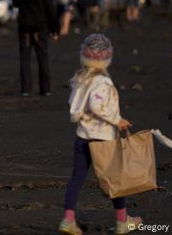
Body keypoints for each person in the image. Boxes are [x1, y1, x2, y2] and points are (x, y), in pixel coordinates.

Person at [59, 33, 142, 235]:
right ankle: (122, 221)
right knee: (115, 181)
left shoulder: (80, 78)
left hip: (82, 137)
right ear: (106, 58)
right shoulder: (102, 82)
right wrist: (118, 120)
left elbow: (73, 104)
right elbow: (97, 106)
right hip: (102, 139)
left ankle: (68, 219)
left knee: (77, 178)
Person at [12, 0, 58, 97]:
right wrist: (54, 29)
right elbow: (50, 11)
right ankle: (45, 89)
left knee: (25, 59)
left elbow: (15, 3)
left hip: (24, 29)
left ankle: (25, 89)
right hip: (39, 29)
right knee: (42, 58)